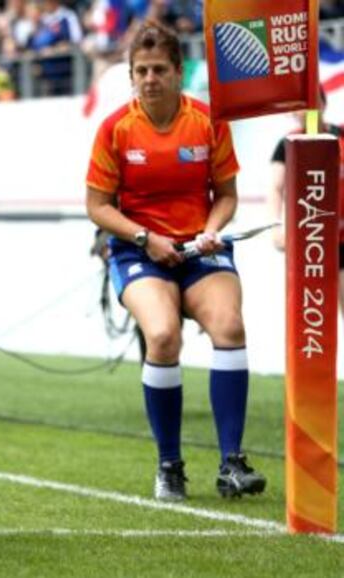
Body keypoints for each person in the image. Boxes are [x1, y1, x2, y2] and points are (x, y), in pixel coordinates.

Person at [85, 21, 265, 502]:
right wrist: (145, 237)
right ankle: (170, 466)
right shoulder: (115, 130)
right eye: (141, 70)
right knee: (163, 335)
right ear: (131, 74)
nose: (149, 78)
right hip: (139, 250)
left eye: (159, 69)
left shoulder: (208, 121)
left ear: (178, 72)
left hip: (199, 248)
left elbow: (225, 195)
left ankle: (232, 463)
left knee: (229, 327)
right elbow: (98, 206)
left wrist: (211, 230)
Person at [268, 87, 344, 312]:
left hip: (341, 238)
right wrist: (276, 226)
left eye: (312, 103)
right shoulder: (287, 144)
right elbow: (275, 187)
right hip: (308, 241)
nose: (307, 110)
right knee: (313, 313)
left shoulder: (341, 136)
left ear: (323, 104)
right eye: (301, 106)